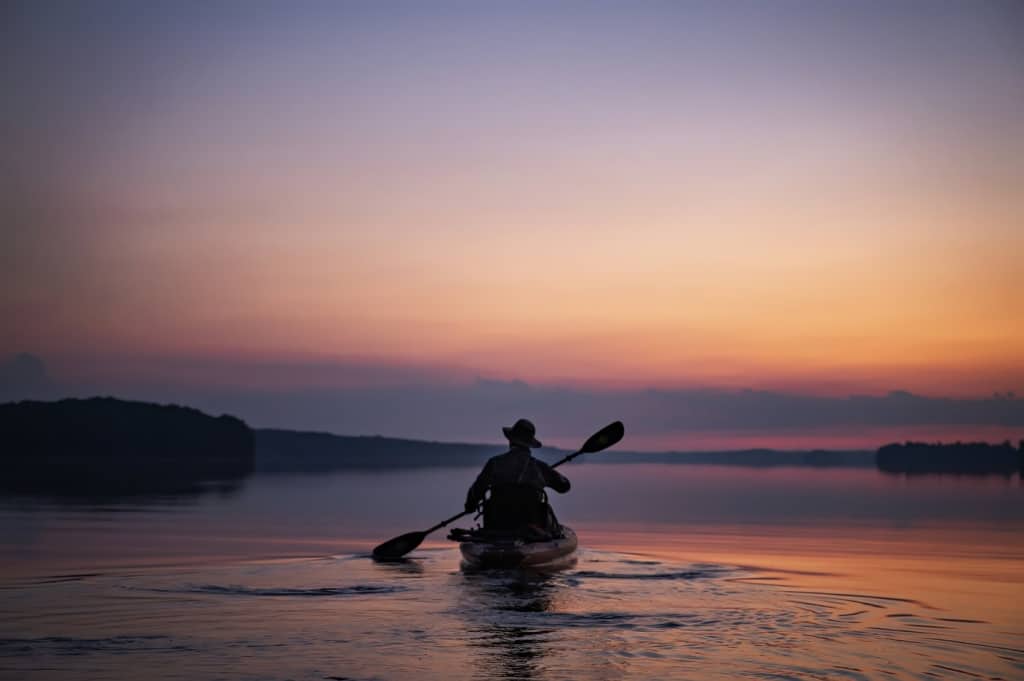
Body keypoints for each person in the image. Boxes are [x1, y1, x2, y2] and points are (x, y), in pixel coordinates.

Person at [464, 418, 571, 538]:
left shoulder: (493, 464)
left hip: (497, 524)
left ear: (510, 441)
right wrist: (551, 474)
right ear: (530, 445)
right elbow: (564, 487)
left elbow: (476, 491)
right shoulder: (539, 467)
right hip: (531, 527)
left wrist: (470, 506)